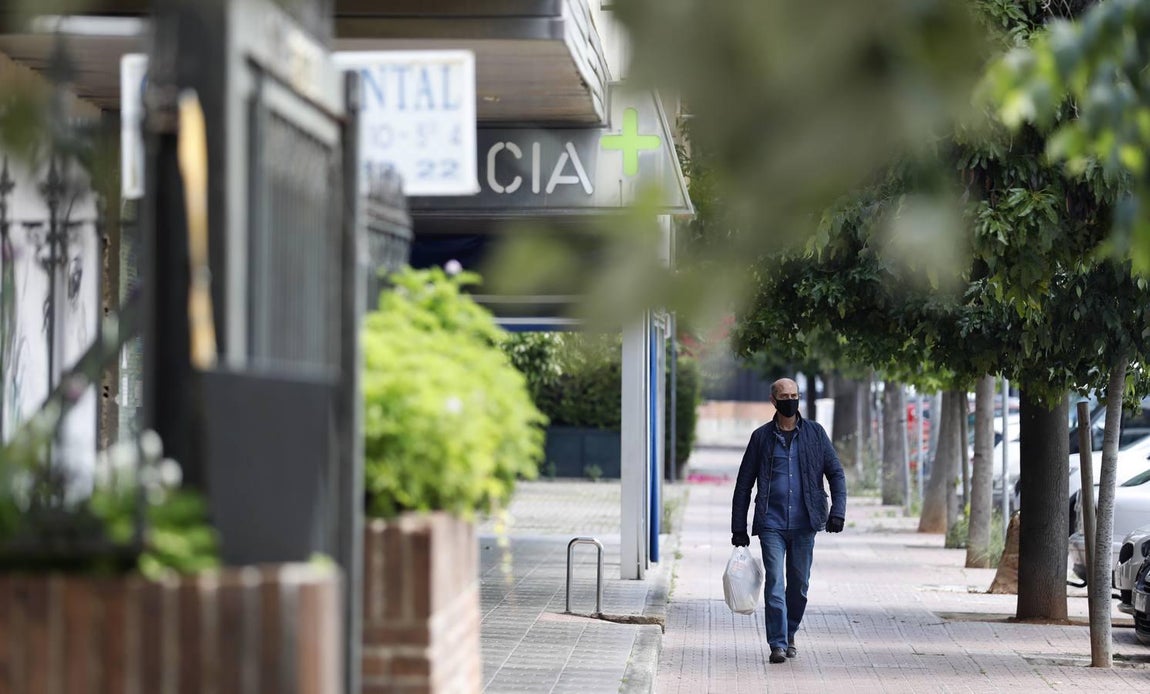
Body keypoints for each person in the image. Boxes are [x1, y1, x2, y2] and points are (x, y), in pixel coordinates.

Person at [731, 378, 847, 664]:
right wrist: (739, 527)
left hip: (806, 521)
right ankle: (778, 644)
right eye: (784, 395)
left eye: (794, 395)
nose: (790, 400)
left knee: (799, 585)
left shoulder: (816, 434)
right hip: (771, 522)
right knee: (774, 582)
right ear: (773, 400)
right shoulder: (761, 437)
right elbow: (744, 484)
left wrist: (838, 511)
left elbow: (836, 473)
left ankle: (790, 631)